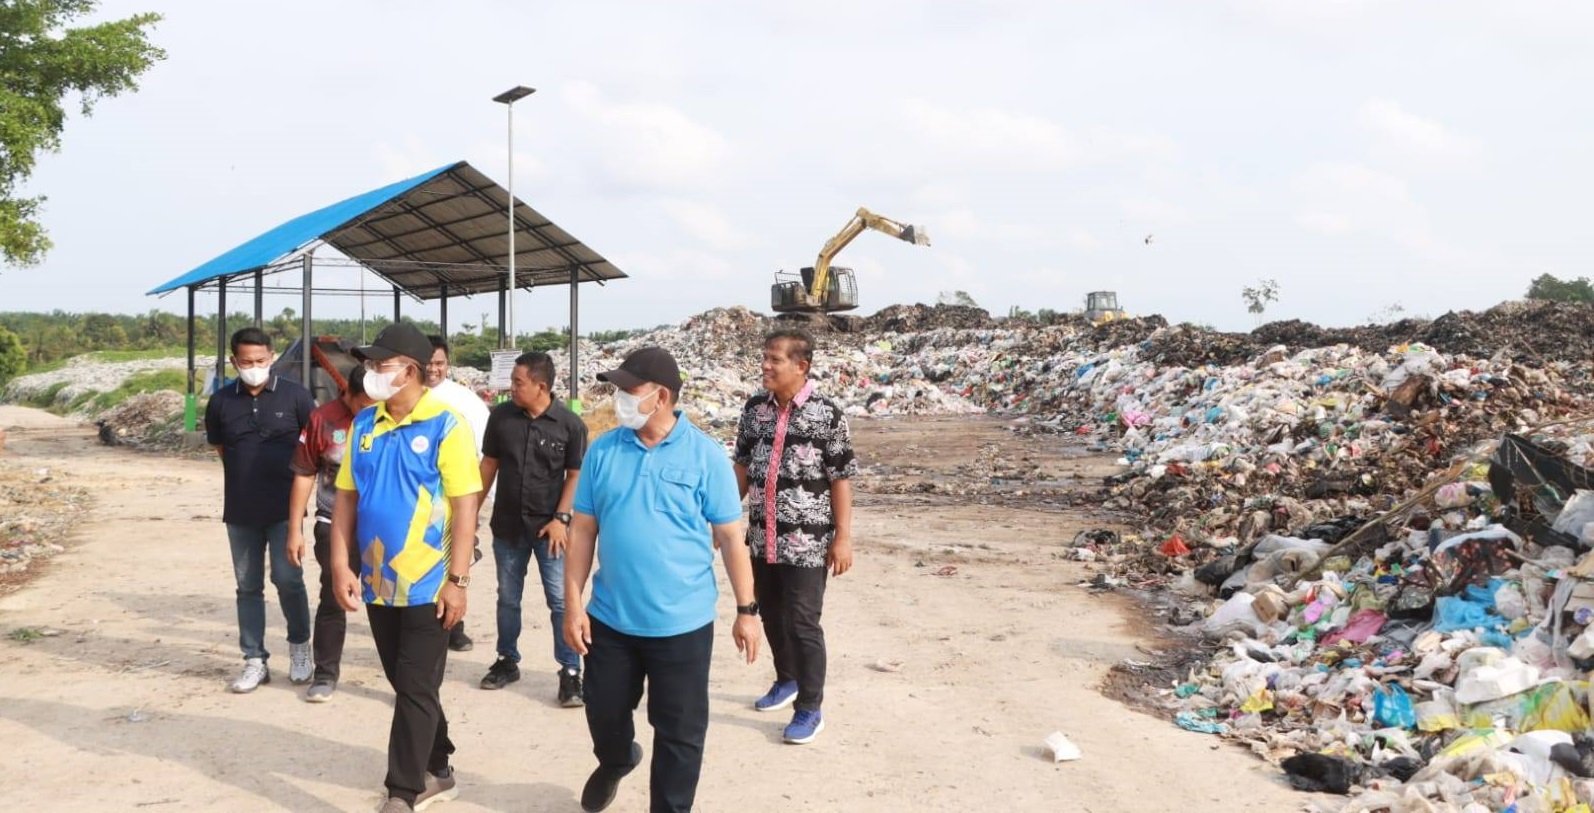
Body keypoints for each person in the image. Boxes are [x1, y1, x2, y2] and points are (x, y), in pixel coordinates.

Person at [563, 346, 762, 813]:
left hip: (682, 625)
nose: (619, 399)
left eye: (629, 390)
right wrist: (573, 604)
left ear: (662, 396)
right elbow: (584, 530)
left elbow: (731, 538)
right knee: (604, 712)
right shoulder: (604, 450)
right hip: (611, 618)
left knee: (680, 733)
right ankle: (616, 759)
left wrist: (746, 611)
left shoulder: (705, 455)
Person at [329, 322, 482, 813]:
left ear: (410, 370)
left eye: (381, 364)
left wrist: (458, 581)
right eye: (371, 364)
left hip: (428, 583)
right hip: (377, 580)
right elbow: (346, 499)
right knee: (407, 681)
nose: (371, 372)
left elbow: (465, 506)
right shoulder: (365, 425)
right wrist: (340, 565)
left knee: (414, 686)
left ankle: (403, 791)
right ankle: (439, 765)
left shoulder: (446, 425)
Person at [733, 327, 857, 745]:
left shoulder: (827, 414)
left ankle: (809, 707)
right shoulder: (755, 410)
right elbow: (743, 466)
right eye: (764, 357)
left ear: (801, 366)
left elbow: (840, 478)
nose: (765, 366)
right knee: (769, 611)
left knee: (803, 621)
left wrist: (843, 537)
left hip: (807, 541)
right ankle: (786, 679)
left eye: (775, 359)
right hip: (762, 535)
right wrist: (722, 516)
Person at [204, 326, 316, 693]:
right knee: (247, 586)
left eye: (261, 360)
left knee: (288, 579)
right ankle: (254, 659)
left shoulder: (296, 397)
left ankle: (300, 648)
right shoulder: (221, 402)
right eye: (246, 362)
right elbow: (222, 449)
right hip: (240, 511)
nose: (254, 367)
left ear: (272, 357)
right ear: (234, 361)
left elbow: (311, 451)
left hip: (285, 510)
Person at [477, 351, 587, 704]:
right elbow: (488, 466)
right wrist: (469, 516)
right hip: (508, 527)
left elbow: (575, 476)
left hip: (550, 531)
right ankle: (506, 660)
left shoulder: (570, 425)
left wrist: (561, 518)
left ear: (541, 386)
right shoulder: (501, 418)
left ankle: (570, 672)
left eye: (518, 382)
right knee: (508, 598)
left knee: (560, 601)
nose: (511, 388)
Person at [285, 365, 373, 703]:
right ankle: (325, 673)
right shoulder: (323, 419)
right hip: (332, 522)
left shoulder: (390, 419)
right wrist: (295, 528)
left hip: (381, 524)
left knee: (391, 603)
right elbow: (304, 473)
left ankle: (405, 679)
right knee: (334, 596)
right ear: (347, 393)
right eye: (363, 404)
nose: (370, 411)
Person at [424, 335, 490, 653]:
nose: (433, 369)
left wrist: (474, 503)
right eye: (427, 363)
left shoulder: (464, 401)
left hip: (455, 498)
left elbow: (484, 452)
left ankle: (453, 626)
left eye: (439, 363)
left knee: (457, 560)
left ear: (447, 364)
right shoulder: (404, 397)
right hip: (418, 501)